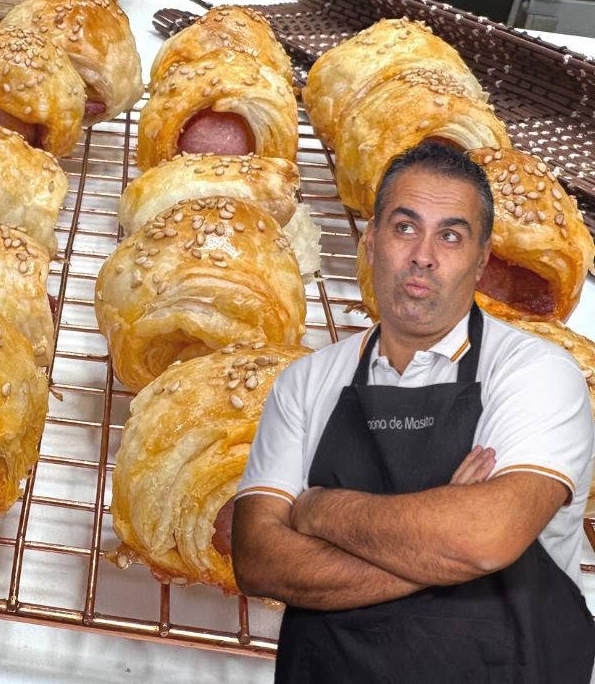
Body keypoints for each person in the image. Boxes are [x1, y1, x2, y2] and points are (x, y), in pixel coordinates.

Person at [231, 140, 595, 683]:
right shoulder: (306, 382)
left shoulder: (536, 373)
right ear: (372, 243)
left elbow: (483, 538)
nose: (423, 254)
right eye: (405, 228)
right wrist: (445, 539)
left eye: (450, 235)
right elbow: (258, 558)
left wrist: (320, 511)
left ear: (481, 260)